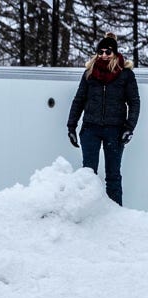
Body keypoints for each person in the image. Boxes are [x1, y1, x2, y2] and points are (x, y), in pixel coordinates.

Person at [67, 32, 140, 206]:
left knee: (113, 176)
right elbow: (79, 100)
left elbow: (134, 102)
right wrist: (71, 126)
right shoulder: (90, 73)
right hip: (90, 129)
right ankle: (87, 214)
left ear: (114, 52)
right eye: (100, 52)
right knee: (88, 175)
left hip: (115, 131)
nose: (104, 55)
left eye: (108, 51)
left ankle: (115, 219)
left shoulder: (125, 74)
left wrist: (129, 128)